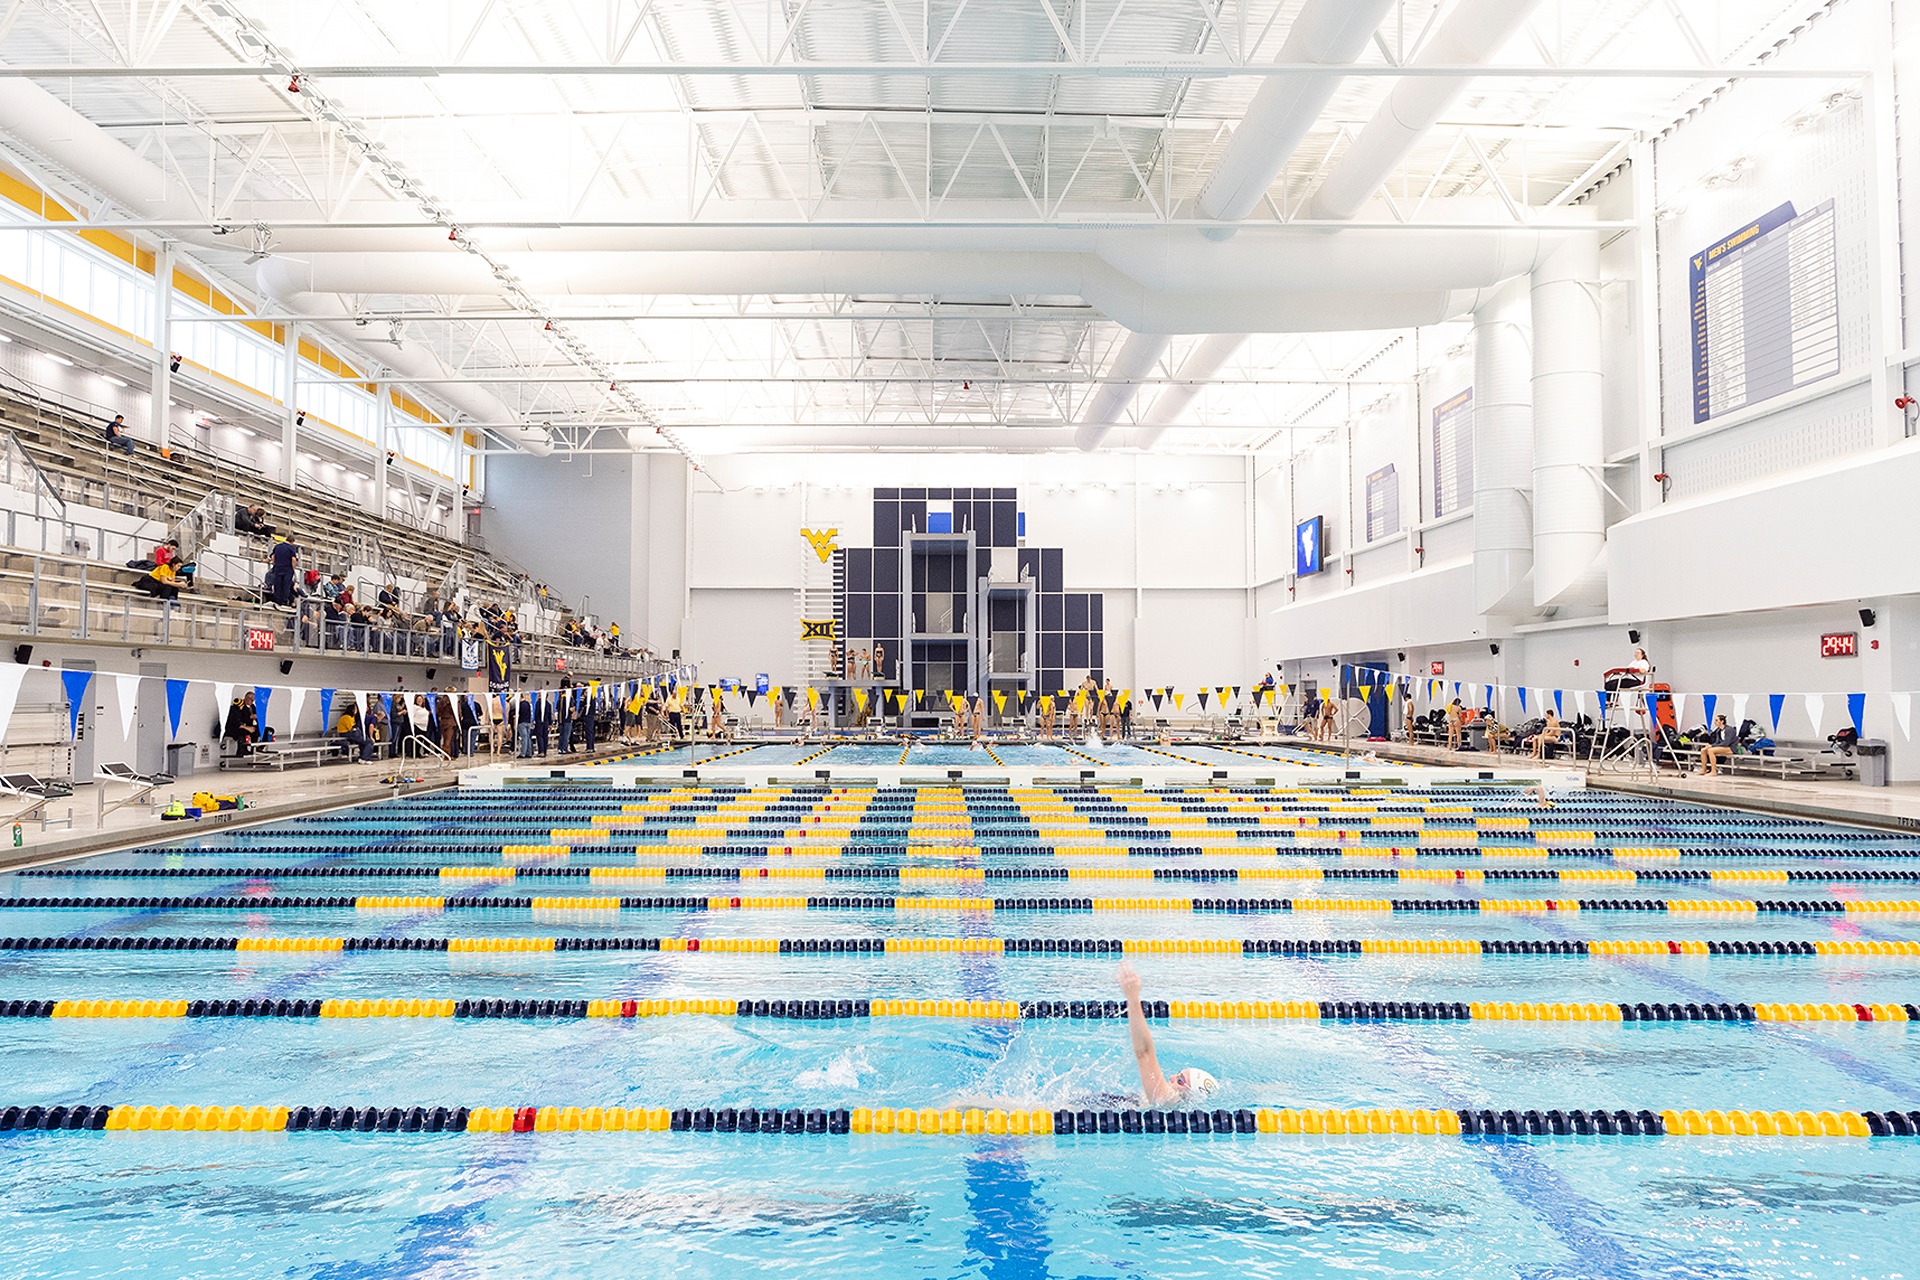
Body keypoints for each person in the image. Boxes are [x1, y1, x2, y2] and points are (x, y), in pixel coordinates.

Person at [1116, 961, 1218, 1105]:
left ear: (1190, 1095)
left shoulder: (1166, 1100)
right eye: (1178, 1075)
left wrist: (1133, 999)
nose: (1171, 1077)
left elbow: (1144, 1053)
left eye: (1180, 1080)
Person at [264, 534, 300, 607]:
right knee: (286, 586)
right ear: (292, 542)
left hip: (277, 568)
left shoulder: (277, 546)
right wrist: (293, 568)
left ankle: (277, 601)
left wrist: (275, 564)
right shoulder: (291, 548)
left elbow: (273, 557)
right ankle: (284, 602)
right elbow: (293, 559)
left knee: (278, 585)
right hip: (287, 569)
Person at [222, 691, 257, 758]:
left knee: (262, 730)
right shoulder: (236, 707)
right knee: (243, 731)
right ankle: (242, 749)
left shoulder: (253, 707)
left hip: (246, 726)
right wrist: (248, 724)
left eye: (253, 699)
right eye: (249, 698)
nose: (251, 700)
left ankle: (257, 748)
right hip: (233, 728)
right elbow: (235, 721)